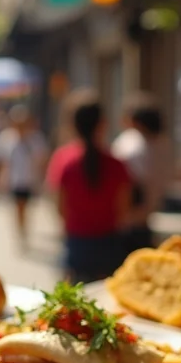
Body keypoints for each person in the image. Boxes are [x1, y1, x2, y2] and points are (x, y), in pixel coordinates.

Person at [46, 89, 132, 283]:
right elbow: (123, 210)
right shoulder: (116, 164)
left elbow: (59, 207)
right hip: (110, 245)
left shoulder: (63, 159)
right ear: (103, 124)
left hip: (77, 244)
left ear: (72, 124)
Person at [112, 92, 167, 253]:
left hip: (128, 223)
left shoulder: (131, 143)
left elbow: (133, 186)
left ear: (134, 121)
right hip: (147, 219)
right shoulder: (162, 145)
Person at [0, 105, 48, 249]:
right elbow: (0, 161)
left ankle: (24, 229)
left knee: (27, 208)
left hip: (31, 180)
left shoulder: (36, 138)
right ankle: (21, 232)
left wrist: (43, 179)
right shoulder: (6, 138)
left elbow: (43, 160)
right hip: (14, 180)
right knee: (18, 207)